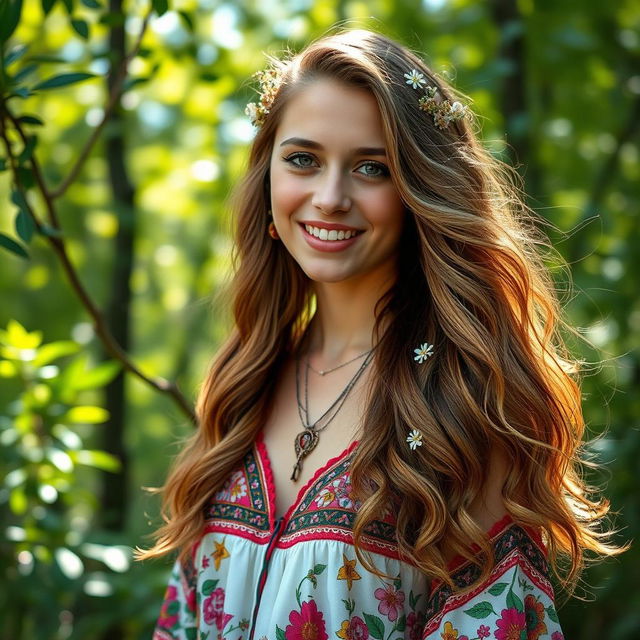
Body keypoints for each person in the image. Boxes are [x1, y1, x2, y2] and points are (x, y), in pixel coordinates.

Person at [139, 28, 621, 640]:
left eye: (373, 167)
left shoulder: (463, 404)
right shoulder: (241, 384)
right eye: (302, 159)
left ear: (419, 190)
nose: (330, 197)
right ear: (266, 177)